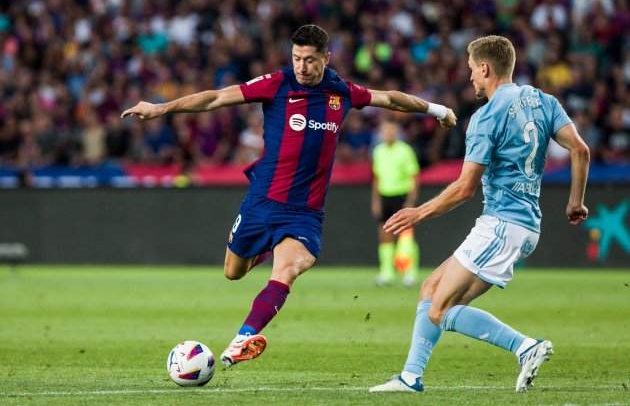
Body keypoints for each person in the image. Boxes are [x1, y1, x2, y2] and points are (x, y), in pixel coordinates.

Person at [121, 25, 457, 369]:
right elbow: (216, 97)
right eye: (296, 58)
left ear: (325, 58)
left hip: (305, 212)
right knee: (233, 272)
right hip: (262, 201)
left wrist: (436, 109)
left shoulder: (341, 92)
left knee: (291, 267)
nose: (301, 66)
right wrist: (161, 109)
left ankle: (243, 337)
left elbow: (389, 98)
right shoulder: (277, 84)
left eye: (310, 60)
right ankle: (267, 247)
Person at [369, 35, 590, 394]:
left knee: (439, 309)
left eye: (471, 70)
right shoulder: (542, 100)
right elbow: (580, 150)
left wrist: (419, 213)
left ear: (485, 68)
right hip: (520, 223)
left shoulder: (486, 117)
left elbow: (464, 187)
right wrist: (575, 202)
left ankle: (525, 346)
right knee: (430, 290)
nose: (470, 77)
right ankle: (411, 377)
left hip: (503, 224)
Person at [371, 120, 421, 287]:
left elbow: (414, 177)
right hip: (385, 196)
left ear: (396, 133)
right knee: (384, 234)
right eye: (385, 131)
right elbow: (376, 178)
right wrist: (376, 201)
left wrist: (411, 201)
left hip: (401, 195)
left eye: (391, 131)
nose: (388, 134)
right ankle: (387, 273)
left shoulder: (405, 150)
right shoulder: (378, 151)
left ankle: (409, 272)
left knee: (405, 235)